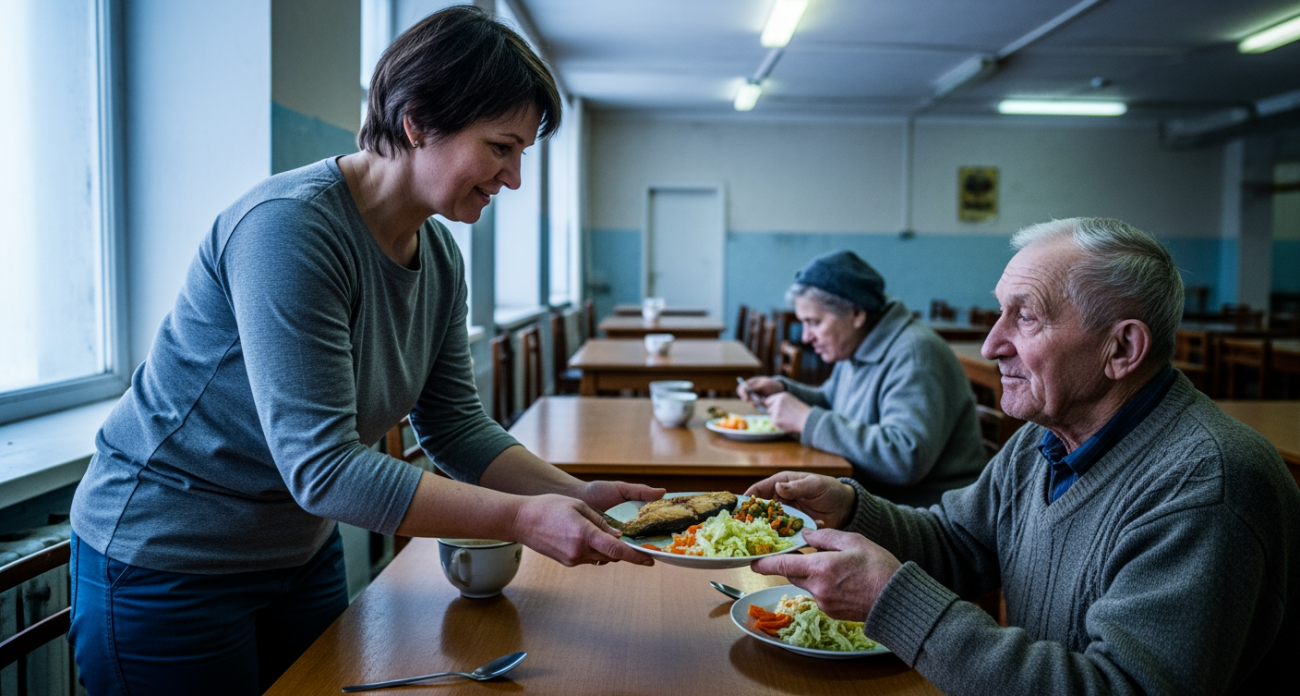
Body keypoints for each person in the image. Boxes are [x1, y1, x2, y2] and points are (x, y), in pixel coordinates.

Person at [67, 8, 658, 695]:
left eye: (522, 152)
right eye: (501, 147)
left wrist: (576, 494)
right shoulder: (288, 229)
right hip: (167, 559)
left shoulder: (438, 254)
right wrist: (524, 519)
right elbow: (323, 467)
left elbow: (456, 427)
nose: (514, 177)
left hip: (297, 553)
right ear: (417, 122)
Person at [747, 218, 1300, 695]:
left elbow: (1121, 687)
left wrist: (895, 600)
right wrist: (849, 508)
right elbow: (958, 543)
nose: (990, 345)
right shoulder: (1045, 438)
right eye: (998, 313)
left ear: (1123, 349)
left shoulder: (1208, 484)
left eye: (1026, 317)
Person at [738, 250, 986, 506]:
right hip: (881, 499)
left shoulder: (915, 354)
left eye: (814, 322)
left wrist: (805, 419)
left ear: (856, 314)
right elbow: (832, 400)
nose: (806, 337)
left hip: (929, 514)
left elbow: (905, 458)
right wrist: (783, 389)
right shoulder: (856, 344)